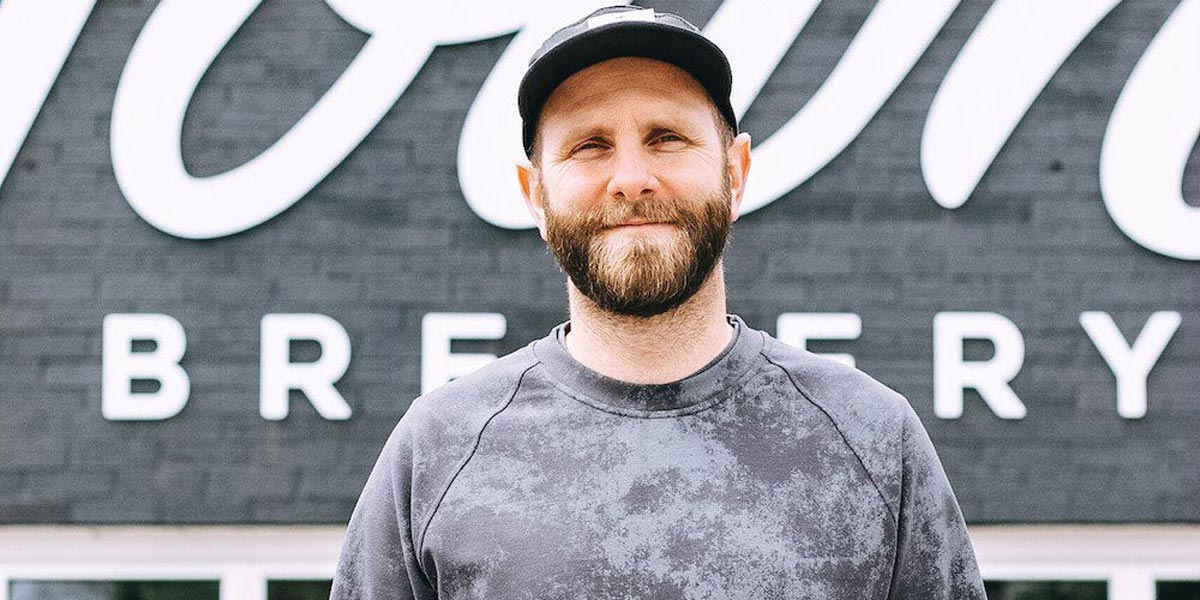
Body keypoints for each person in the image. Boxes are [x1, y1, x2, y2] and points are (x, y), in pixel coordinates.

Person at [330, 6, 985, 599]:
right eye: (590, 145)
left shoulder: (871, 437)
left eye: (667, 136)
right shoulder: (440, 446)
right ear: (535, 194)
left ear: (736, 173)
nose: (632, 179)